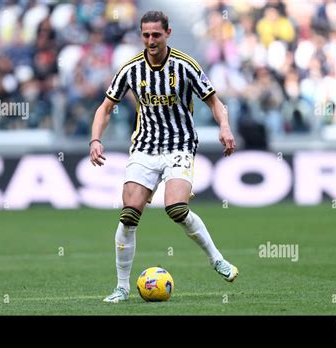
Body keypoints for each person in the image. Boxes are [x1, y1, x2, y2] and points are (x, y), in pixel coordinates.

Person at [89, 11, 239, 303]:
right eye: (145, 35)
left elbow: (215, 102)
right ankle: (121, 287)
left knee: (176, 209)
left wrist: (225, 126)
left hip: (179, 145)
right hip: (145, 147)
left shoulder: (185, 66)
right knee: (129, 215)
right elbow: (105, 108)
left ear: (167, 33)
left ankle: (216, 259)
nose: (150, 40)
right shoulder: (131, 69)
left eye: (156, 35)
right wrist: (96, 139)